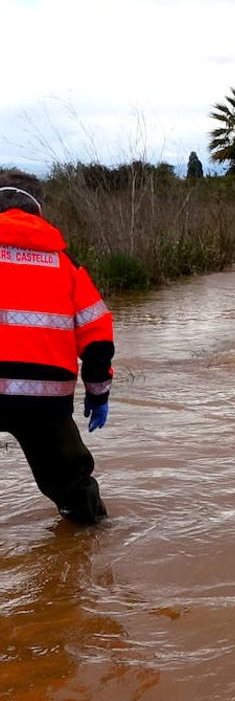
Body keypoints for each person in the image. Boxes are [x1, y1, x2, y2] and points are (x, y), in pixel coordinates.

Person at [0, 170, 113, 524]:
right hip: (46, 397)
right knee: (74, 488)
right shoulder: (66, 266)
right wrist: (97, 394)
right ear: (39, 210)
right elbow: (98, 339)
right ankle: (91, 554)